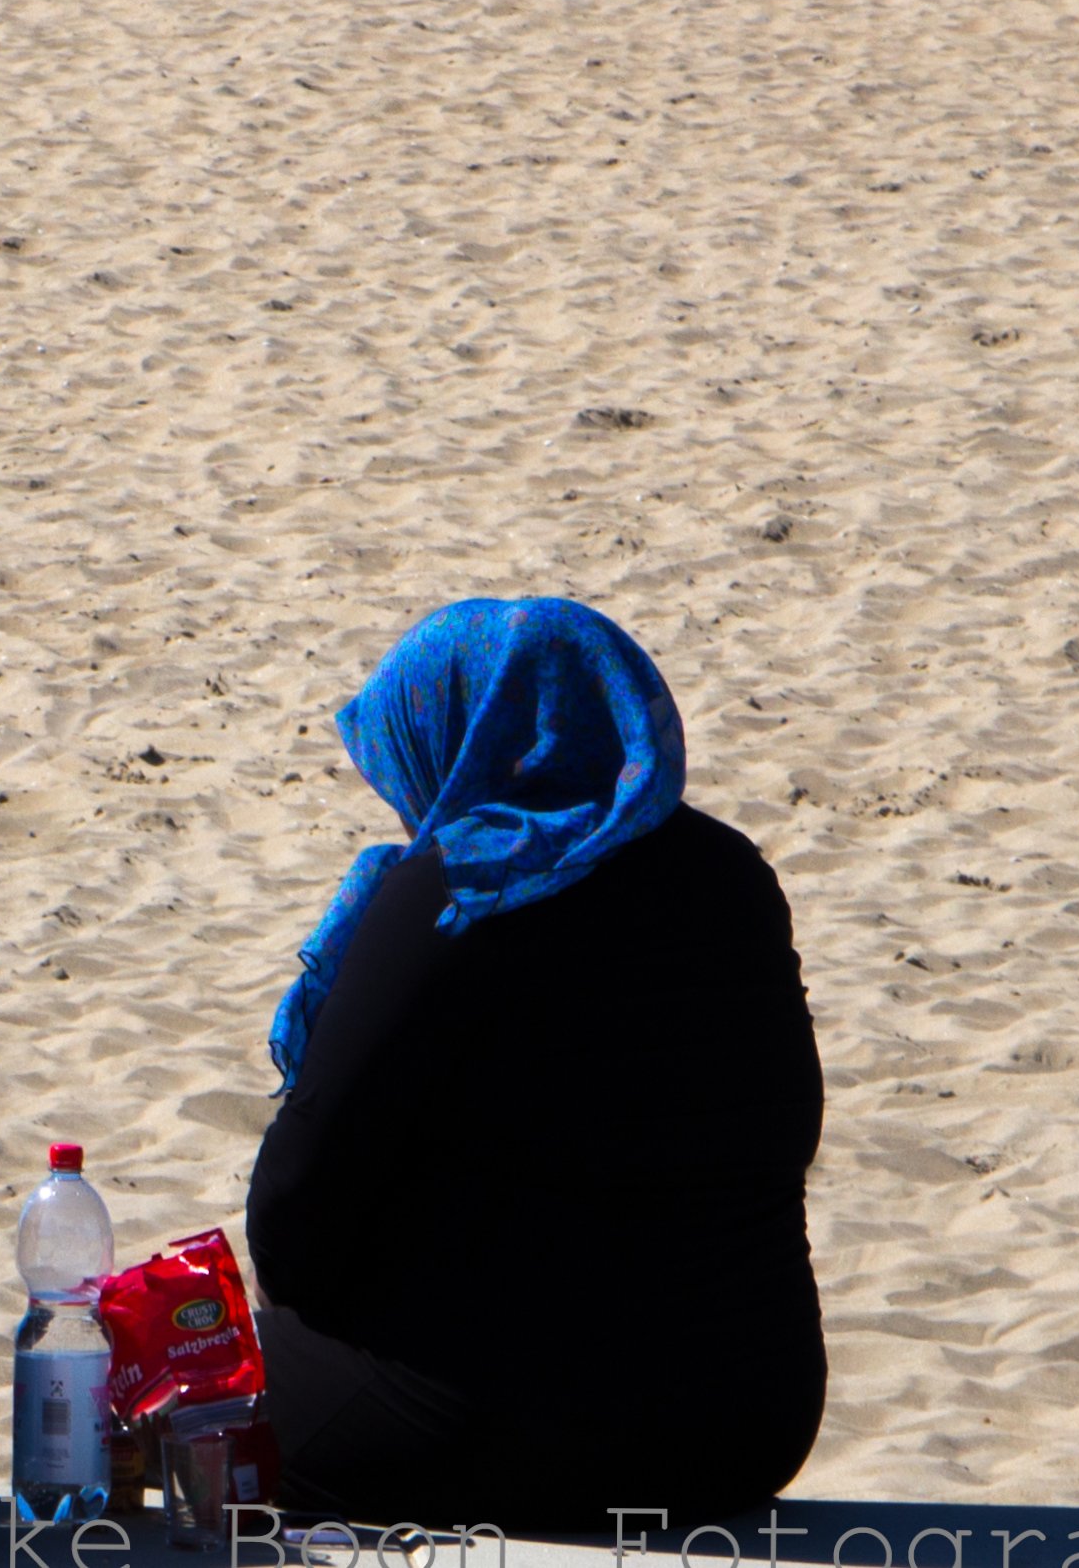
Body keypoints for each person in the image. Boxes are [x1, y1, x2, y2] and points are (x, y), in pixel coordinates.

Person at [247, 597, 824, 1532]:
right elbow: (783, 1130)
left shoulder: (460, 890)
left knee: (170, 1384)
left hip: (501, 1429)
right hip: (747, 1421)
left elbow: (292, 1205)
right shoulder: (732, 876)